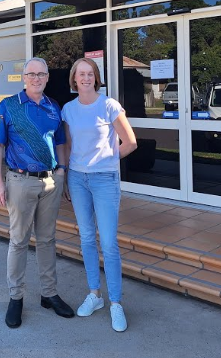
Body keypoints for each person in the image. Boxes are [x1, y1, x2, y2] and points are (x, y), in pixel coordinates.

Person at [0, 57, 74, 329]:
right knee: (19, 241)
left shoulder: (53, 107)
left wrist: (62, 171)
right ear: (24, 77)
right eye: (31, 74)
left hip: (50, 182)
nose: (36, 78)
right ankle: (16, 298)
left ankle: (49, 294)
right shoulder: (9, 106)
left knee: (48, 240)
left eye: (41, 74)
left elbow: (60, 142)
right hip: (20, 181)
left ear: (47, 77)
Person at [61, 57, 137, 332]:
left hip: (104, 179)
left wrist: (107, 159)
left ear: (96, 77)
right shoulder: (68, 109)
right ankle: (95, 295)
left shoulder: (108, 104)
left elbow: (130, 142)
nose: (85, 78)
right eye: (80, 74)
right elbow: (68, 146)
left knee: (108, 242)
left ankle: (115, 303)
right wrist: (67, 176)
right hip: (78, 179)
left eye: (90, 73)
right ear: (74, 78)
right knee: (85, 238)